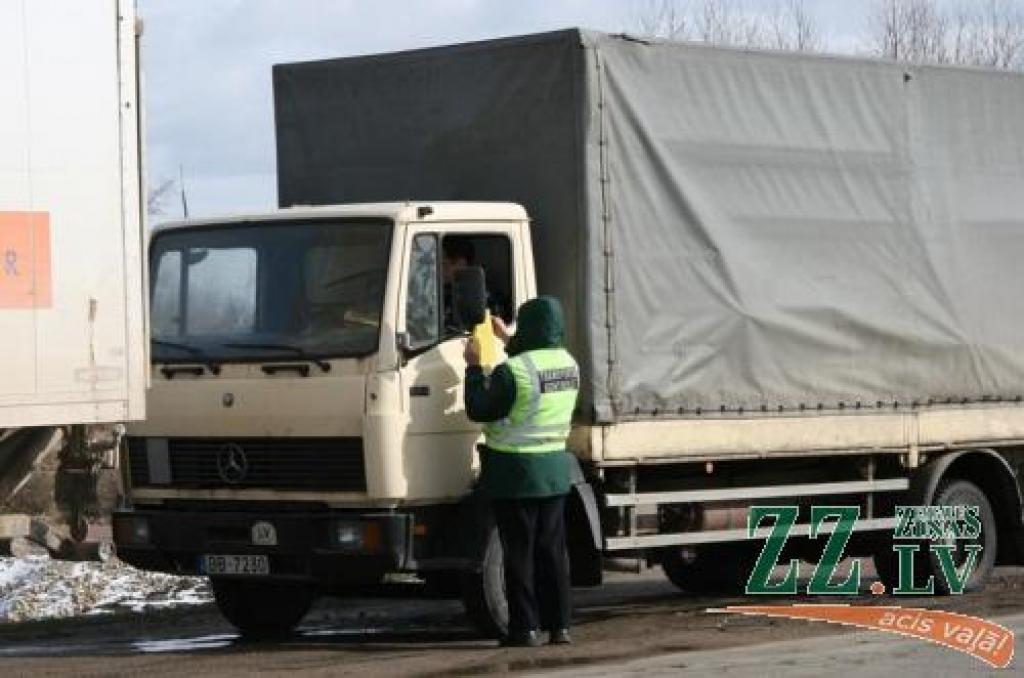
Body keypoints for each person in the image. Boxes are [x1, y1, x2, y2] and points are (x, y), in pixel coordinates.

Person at [462, 296, 580, 647]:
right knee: (552, 552)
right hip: (555, 471)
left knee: (519, 554)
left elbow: (480, 408)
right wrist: (507, 340)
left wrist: (473, 368)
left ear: (528, 325)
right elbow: (535, 370)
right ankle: (560, 627)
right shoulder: (568, 363)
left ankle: (524, 629)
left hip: (515, 473)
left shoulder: (511, 370)